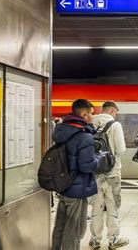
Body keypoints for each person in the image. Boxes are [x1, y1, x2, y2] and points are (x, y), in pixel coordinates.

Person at [52, 99, 101, 250]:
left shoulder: (61, 131)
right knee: (75, 228)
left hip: (63, 185)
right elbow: (86, 166)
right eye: (91, 114)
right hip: (77, 188)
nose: (92, 117)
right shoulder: (84, 136)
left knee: (60, 225)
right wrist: (99, 158)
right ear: (84, 114)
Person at [89, 101, 128, 249]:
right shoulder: (115, 125)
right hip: (112, 173)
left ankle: (95, 239)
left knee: (96, 207)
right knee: (113, 207)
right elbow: (122, 149)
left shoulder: (92, 124)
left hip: (95, 172)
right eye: (115, 112)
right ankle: (113, 239)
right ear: (112, 111)